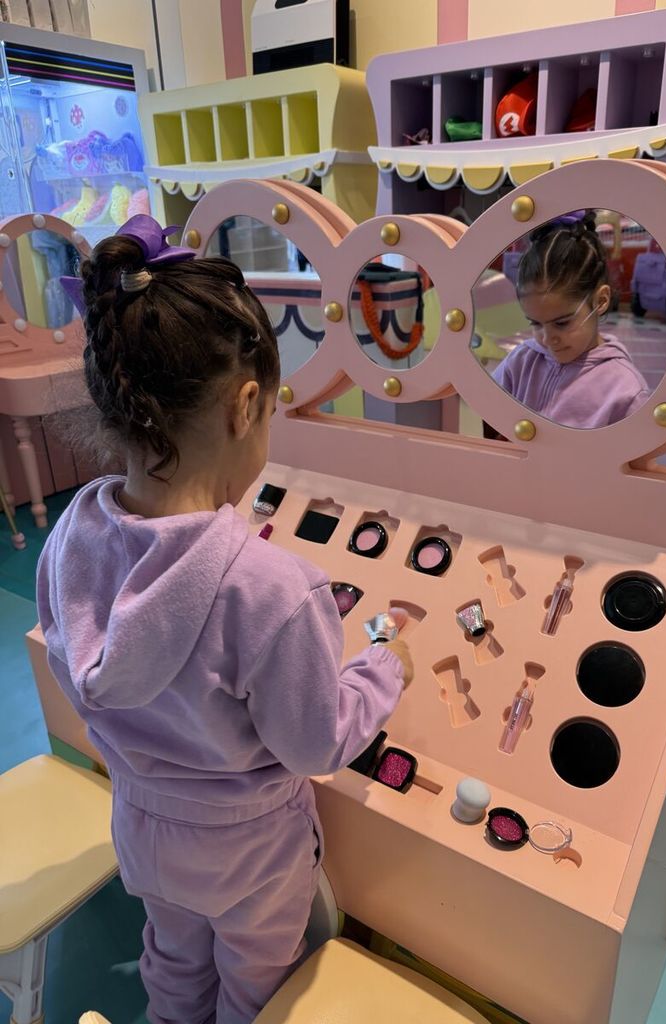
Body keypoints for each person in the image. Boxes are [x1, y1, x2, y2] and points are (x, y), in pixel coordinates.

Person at [37, 216, 413, 1024]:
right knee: (256, 980)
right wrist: (382, 668)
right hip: (250, 856)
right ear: (247, 406)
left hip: (142, 829)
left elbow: (83, 673)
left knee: (171, 961)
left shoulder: (68, 539)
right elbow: (314, 743)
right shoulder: (276, 589)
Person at [488, 211, 651, 432]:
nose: (547, 339)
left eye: (562, 323)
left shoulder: (624, 389)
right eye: (535, 323)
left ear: (601, 300)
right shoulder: (520, 362)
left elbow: (633, 462)